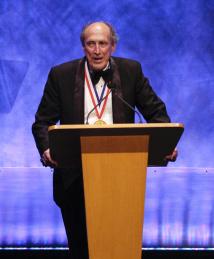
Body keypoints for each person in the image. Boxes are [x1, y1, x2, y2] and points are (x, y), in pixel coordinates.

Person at [32, 21, 177, 259]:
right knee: (81, 249)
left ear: (113, 46)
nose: (97, 50)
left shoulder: (131, 71)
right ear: (83, 47)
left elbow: (156, 113)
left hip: (123, 177)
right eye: (91, 44)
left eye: (102, 44)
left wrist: (165, 143)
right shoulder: (62, 75)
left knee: (121, 249)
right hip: (74, 177)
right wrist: (47, 148)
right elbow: (42, 122)